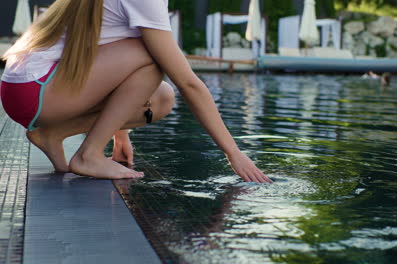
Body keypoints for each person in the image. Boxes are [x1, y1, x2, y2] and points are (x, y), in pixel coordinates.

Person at [1, 0, 272, 183]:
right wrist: (233, 153)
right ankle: (88, 155)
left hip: (24, 89)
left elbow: (106, 61)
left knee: (161, 98)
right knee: (158, 57)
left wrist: (120, 134)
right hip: (36, 90)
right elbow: (188, 82)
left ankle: (52, 134)